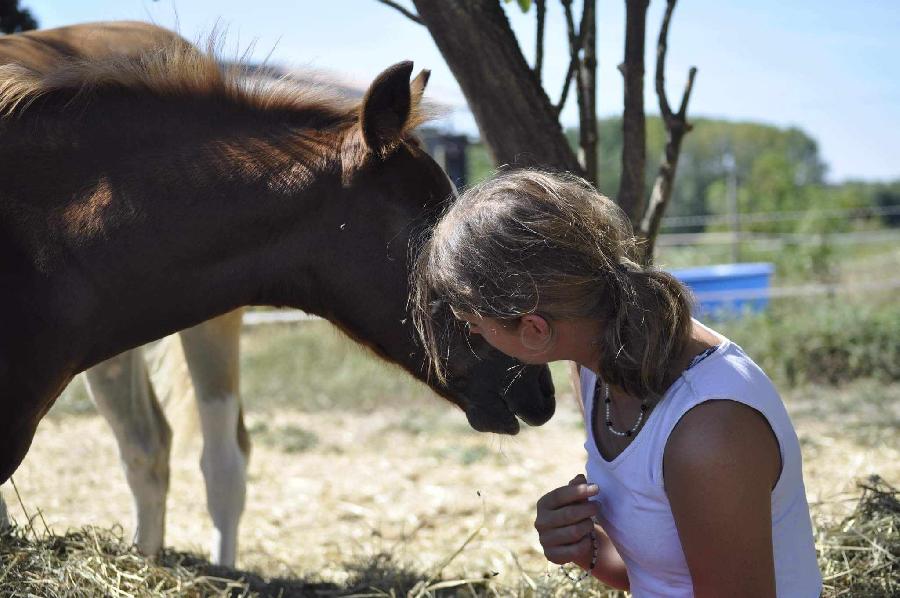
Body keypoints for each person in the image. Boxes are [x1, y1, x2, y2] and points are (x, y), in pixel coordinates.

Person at [411, 169, 822, 597]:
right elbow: (660, 575)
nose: (474, 333)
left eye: (474, 322)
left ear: (535, 329)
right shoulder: (596, 364)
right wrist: (585, 549)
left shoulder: (708, 433)